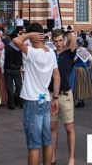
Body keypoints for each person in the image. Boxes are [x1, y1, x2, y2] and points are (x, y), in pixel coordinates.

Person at [14, 23, 60, 165]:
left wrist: (28, 35)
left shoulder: (33, 53)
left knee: (34, 143)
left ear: (34, 37)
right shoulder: (50, 52)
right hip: (45, 98)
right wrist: (55, 99)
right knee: (47, 140)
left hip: (33, 100)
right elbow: (57, 77)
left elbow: (16, 41)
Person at [49, 29, 78, 165]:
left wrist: (68, 36)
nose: (58, 44)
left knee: (69, 127)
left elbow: (73, 37)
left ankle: (71, 158)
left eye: (60, 41)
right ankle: (52, 155)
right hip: (51, 94)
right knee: (52, 126)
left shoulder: (69, 53)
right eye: (56, 41)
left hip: (66, 94)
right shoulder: (51, 54)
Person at [72, 36, 92, 108]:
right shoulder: (86, 51)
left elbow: (74, 60)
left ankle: (79, 100)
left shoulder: (77, 51)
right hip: (86, 70)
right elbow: (91, 60)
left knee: (78, 85)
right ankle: (82, 100)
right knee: (84, 84)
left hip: (78, 70)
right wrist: (88, 65)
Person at [2, 35, 23, 110]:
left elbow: (2, 59)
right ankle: (21, 103)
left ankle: (12, 104)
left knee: (9, 87)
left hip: (8, 68)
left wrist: (2, 70)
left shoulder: (6, 47)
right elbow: (23, 57)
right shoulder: (20, 47)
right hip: (17, 69)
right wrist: (22, 66)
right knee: (19, 86)